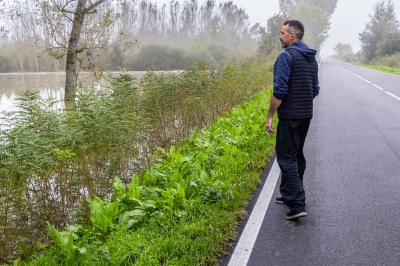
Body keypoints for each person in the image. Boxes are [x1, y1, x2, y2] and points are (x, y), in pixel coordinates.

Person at [265, 20, 319, 220]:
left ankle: (297, 204)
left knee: (286, 156)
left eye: (282, 33)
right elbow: (315, 89)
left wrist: (270, 115)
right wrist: (302, 103)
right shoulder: (310, 59)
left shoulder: (286, 57)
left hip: (289, 116)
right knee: (296, 154)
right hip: (305, 115)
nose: (279, 36)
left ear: (292, 36)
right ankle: (289, 194)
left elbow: (279, 91)